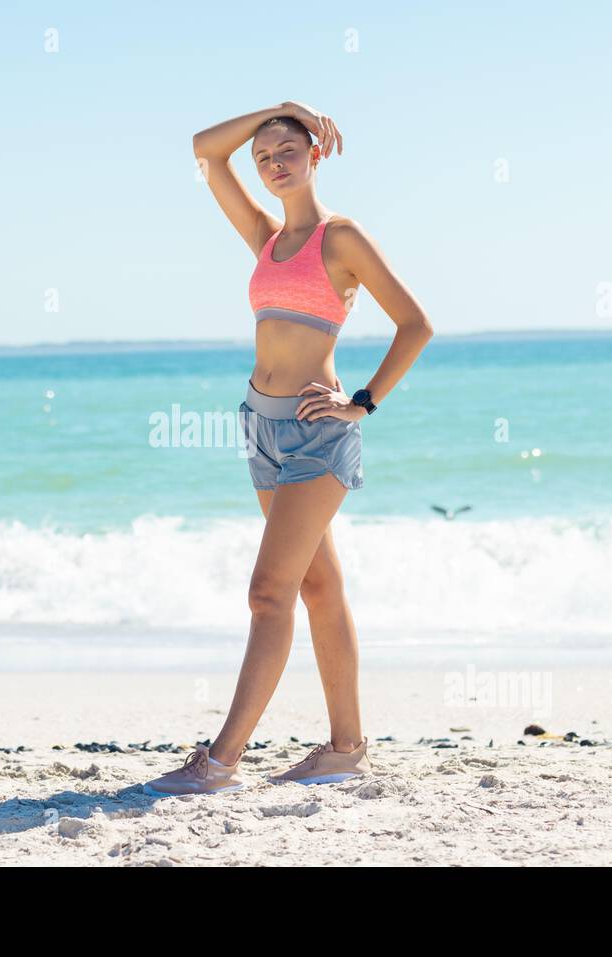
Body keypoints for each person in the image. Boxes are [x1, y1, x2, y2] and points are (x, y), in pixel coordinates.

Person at [144, 101, 435, 796]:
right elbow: (203, 150)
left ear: (316, 155)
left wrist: (359, 403)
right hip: (261, 429)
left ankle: (220, 760)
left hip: (316, 435)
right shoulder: (265, 237)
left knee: (268, 590)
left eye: (287, 152)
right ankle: (344, 749)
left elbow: (416, 324)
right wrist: (280, 108)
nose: (274, 164)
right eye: (265, 156)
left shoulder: (340, 239)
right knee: (317, 586)